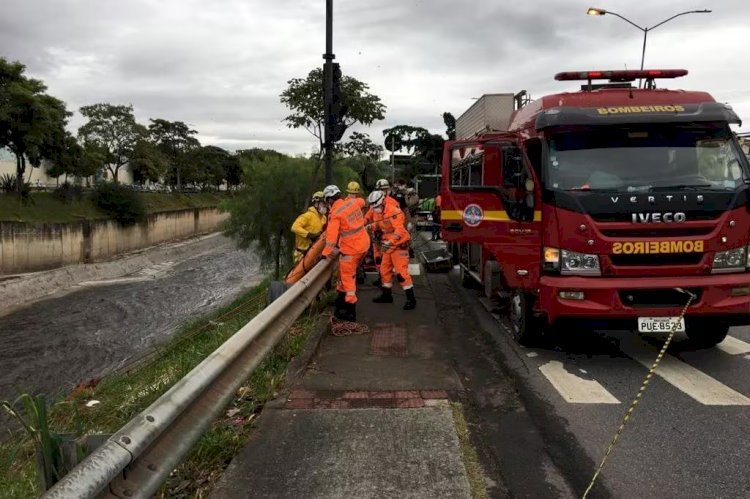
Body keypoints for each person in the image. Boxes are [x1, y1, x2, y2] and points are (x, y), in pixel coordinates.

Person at [321, 184, 370, 321]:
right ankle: (341, 301)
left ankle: (350, 312)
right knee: (342, 274)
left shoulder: (335, 214)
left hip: (351, 250)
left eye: (326, 201)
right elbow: (362, 201)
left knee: (348, 280)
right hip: (364, 244)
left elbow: (331, 238)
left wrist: (325, 253)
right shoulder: (352, 203)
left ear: (330, 200)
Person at [367, 190, 417, 310]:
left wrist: (390, 242)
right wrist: (371, 226)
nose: (376, 209)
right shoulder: (378, 212)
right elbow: (380, 224)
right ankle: (387, 295)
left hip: (399, 245)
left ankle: (411, 299)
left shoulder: (394, 211)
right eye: (374, 207)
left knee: (401, 273)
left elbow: (399, 230)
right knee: (384, 271)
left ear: (383, 202)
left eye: (377, 206)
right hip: (388, 246)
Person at [290, 191, 327, 263]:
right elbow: (294, 227)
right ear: (316, 203)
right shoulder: (308, 216)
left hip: (315, 251)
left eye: (326, 204)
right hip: (302, 253)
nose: (325, 206)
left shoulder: (324, 218)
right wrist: (309, 235)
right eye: (323, 203)